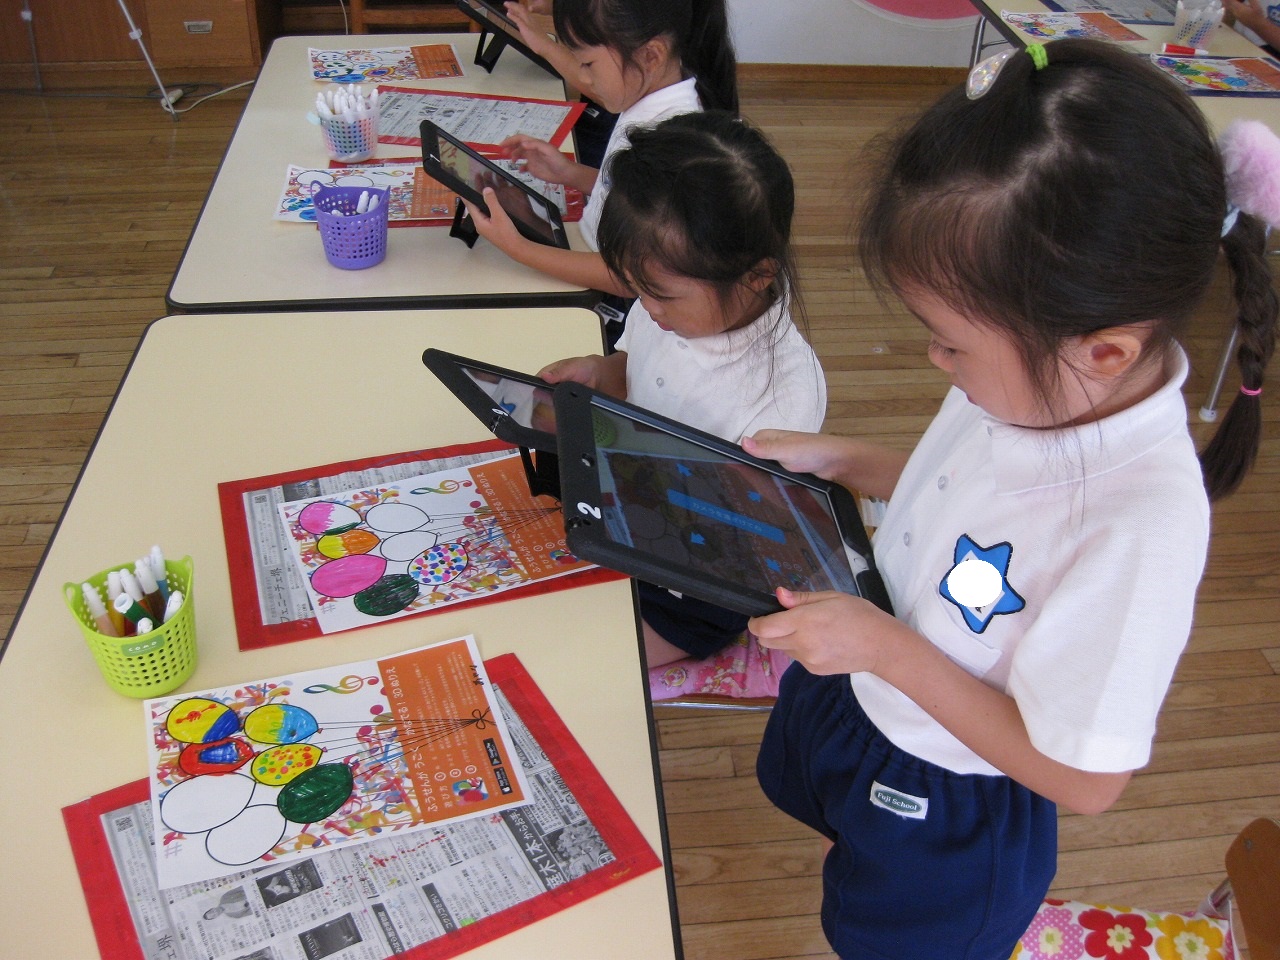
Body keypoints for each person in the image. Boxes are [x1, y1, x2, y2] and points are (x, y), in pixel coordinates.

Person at [744, 39, 1278, 959]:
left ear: (1102, 350)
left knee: (887, 936)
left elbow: (1086, 781)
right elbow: (974, 503)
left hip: (947, 795)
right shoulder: (1039, 375)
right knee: (839, 834)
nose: (936, 361)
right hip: (868, 696)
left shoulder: (1143, 522)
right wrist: (852, 459)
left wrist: (884, 649)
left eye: (952, 344)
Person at [538, 111, 828, 669]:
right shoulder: (666, 307)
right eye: (637, 288)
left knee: (581, 662)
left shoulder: (784, 396)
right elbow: (632, 365)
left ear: (758, 275)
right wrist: (601, 372)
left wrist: (643, 504)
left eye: (662, 296)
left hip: (690, 584)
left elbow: (752, 542)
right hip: (621, 507)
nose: (647, 307)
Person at [463, 0, 739, 300]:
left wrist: (519, 248)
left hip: (617, 297)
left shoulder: (672, 137)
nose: (583, 78)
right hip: (592, 252)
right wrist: (569, 173)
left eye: (588, 64)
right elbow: (630, 193)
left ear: (651, 55)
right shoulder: (647, 98)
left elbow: (631, 278)